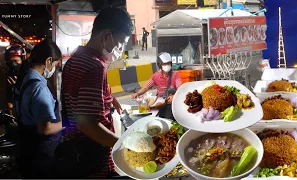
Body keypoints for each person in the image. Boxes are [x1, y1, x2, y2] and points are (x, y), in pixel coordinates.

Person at [57, 7, 133, 178]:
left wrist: (109, 99)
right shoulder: (95, 67)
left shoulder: (74, 61)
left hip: (77, 154)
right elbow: (86, 123)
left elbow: (79, 98)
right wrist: (125, 145)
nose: (119, 51)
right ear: (107, 36)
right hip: (94, 159)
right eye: (120, 44)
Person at [13, 40, 63, 178]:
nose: (53, 70)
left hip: (26, 152)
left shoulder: (24, 79)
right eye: (54, 65)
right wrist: (67, 124)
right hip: (41, 157)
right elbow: (45, 128)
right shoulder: (39, 88)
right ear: (48, 61)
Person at [132, 52, 182, 119]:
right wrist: (137, 93)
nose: (167, 65)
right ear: (160, 65)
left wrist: (174, 97)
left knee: (169, 117)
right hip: (159, 104)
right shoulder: (155, 76)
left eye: (168, 63)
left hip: (171, 103)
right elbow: (146, 87)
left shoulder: (176, 75)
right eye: (165, 64)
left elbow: (180, 89)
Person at [4, 45, 26, 116]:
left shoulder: (28, 75)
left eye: (16, 61)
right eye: (11, 62)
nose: (14, 64)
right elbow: (9, 99)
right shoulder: (10, 75)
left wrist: (18, 87)